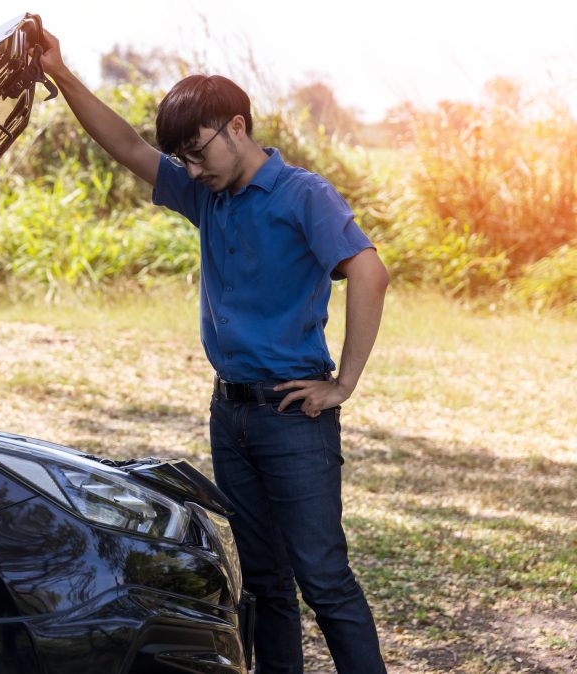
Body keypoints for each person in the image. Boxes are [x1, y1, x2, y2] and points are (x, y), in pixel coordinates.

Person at [38, 29, 390, 674]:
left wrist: (343, 382)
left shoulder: (302, 194)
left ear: (237, 125)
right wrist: (60, 73)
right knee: (263, 583)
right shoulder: (208, 192)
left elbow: (369, 271)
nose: (192, 172)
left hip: (294, 416)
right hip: (230, 416)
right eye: (185, 162)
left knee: (324, 579)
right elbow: (124, 145)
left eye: (199, 154)